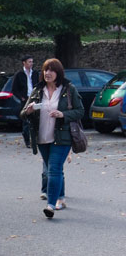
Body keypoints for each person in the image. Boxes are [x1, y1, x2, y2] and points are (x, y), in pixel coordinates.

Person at [21, 58, 83, 217]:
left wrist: (63, 114)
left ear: (58, 73)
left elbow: (80, 111)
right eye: (45, 70)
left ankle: (51, 205)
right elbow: (22, 114)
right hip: (42, 137)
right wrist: (28, 111)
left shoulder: (68, 89)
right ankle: (61, 198)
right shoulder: (37, 90)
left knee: (53, 170)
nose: (47, 73)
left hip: (62, 137)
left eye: (51, 70)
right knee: (53, 169)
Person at [12, 55, 40, 147]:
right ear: (24, 63)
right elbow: (14, 89)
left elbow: (39, 85)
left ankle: (36, 140)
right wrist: (21, 97)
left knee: (36, 119)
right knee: (26, 121)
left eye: (32, 61)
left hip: (35, 99)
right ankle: (27, 141)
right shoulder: (19, 74)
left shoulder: (35, 73)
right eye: (29, 62)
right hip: (25, 100)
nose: (31, 63)